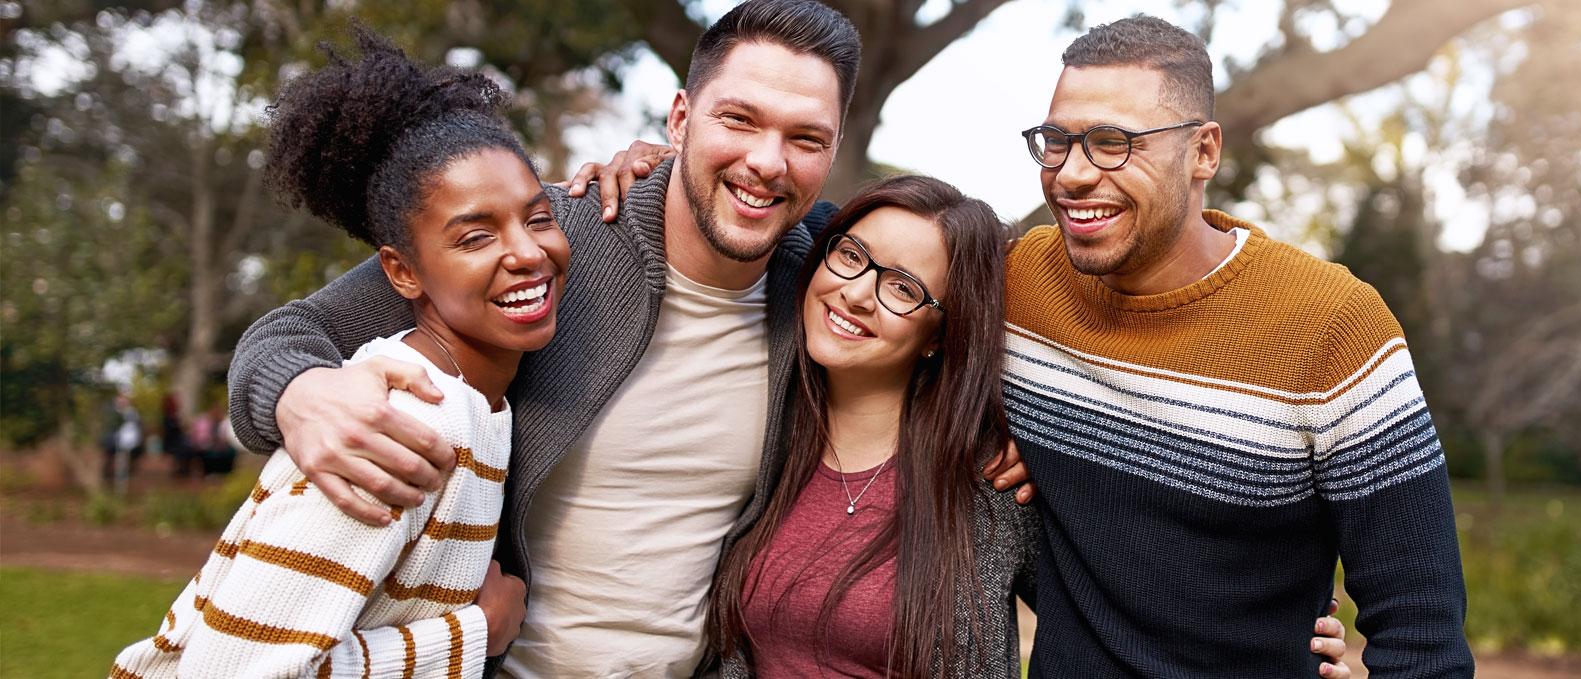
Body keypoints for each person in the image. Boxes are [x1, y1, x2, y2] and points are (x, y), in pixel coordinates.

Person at [220, 3, 1028, 676]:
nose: (765, 161)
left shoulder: (820, 281)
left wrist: (1001, 425)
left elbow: (938, 299)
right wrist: (301, 393)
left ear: (829, 153)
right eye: (737, 119)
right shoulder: (548, 242)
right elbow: (291, 332)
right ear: (679, 117)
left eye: (805, 139)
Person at [1005, 16, 1473, 677]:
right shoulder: (1018, 281)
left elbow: (1422, 631)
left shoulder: (1332, 325)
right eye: (1057, 141)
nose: (1073, 174)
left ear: (1204, 152)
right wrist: (975, 429)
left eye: (1114, 143)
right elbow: (853, 274)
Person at [112, 25, 549, 677]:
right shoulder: (399, 420)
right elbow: (227, 669)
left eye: (539, 217)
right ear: (402, 272)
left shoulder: (482, 406)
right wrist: (471, 633)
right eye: (475, 236)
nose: (528, 251)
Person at [702, 175, 1032, 678]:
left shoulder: (989, 478)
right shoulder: (769, 427)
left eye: (903, 288)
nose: (856, 294)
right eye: (853, 256)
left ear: (940, 336)